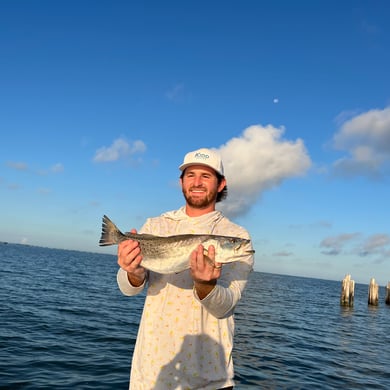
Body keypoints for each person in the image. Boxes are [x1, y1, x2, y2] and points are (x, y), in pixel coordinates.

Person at [117, 147, 254, 389]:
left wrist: (205, 284)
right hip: (151, 372)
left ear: (221, 184)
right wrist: (133, 272)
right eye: (190, 175)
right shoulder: (156, 225)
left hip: (211, 379)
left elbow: (226, 304)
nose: (197, 182)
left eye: (206, 175)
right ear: (181, 181)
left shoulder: (237, 237)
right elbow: (128, 289)